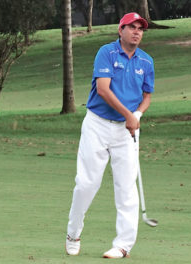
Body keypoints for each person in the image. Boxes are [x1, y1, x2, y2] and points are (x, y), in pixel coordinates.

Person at [65, 12, 155, 259]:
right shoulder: (106, 53)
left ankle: (123, 245)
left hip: (127, 129)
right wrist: (129, 114)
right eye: (131, 27)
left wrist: (137, 114)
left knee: (126, 187)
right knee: (86, 183)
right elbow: (103, 90)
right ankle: (73, 233)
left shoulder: (146, 62)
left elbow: (147, 96)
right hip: (97, 124)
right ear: (120, 30)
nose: (137, 31)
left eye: (140, 28)